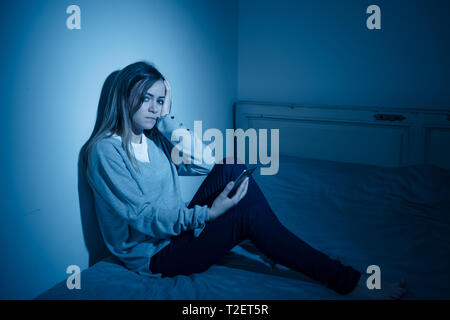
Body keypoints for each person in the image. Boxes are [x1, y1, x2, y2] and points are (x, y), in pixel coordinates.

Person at [83, 61, 407, 299]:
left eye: (160, 100)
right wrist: (207, 215)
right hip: (156, 258)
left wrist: (167, 122)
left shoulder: (151, 139)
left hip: (177, 234)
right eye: (146, 99)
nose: (155, 109)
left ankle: (268, 243)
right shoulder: (105, 152)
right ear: (125, 98)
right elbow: (142, 218)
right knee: (249, 212)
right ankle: (348, 282)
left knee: (231, 166)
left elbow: (205, 163)